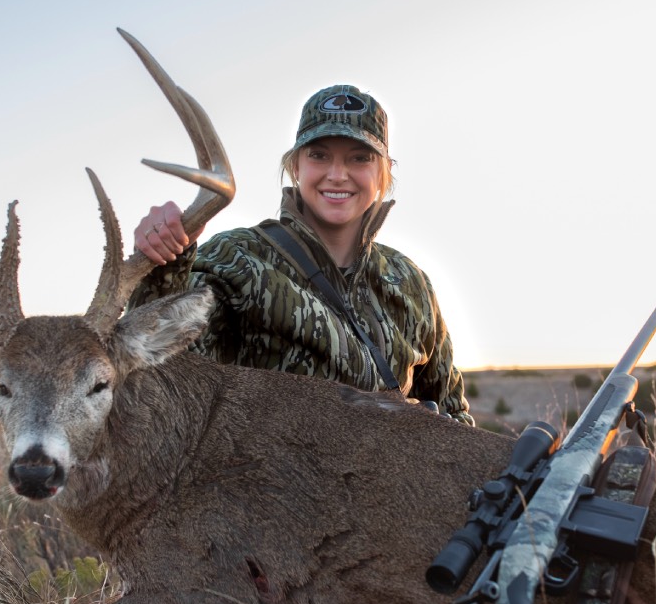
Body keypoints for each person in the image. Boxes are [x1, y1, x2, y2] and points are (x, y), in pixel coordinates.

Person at [130, 83, 473, 424]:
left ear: (384, 173)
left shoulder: (409, 281)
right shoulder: (236, 258)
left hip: (396, 476)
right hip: (272, 475)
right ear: (296, 166)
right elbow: (161, 372)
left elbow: (453, 414)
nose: (337, 175)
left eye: (360, 158)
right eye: (319, 155)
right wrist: (166, 265)